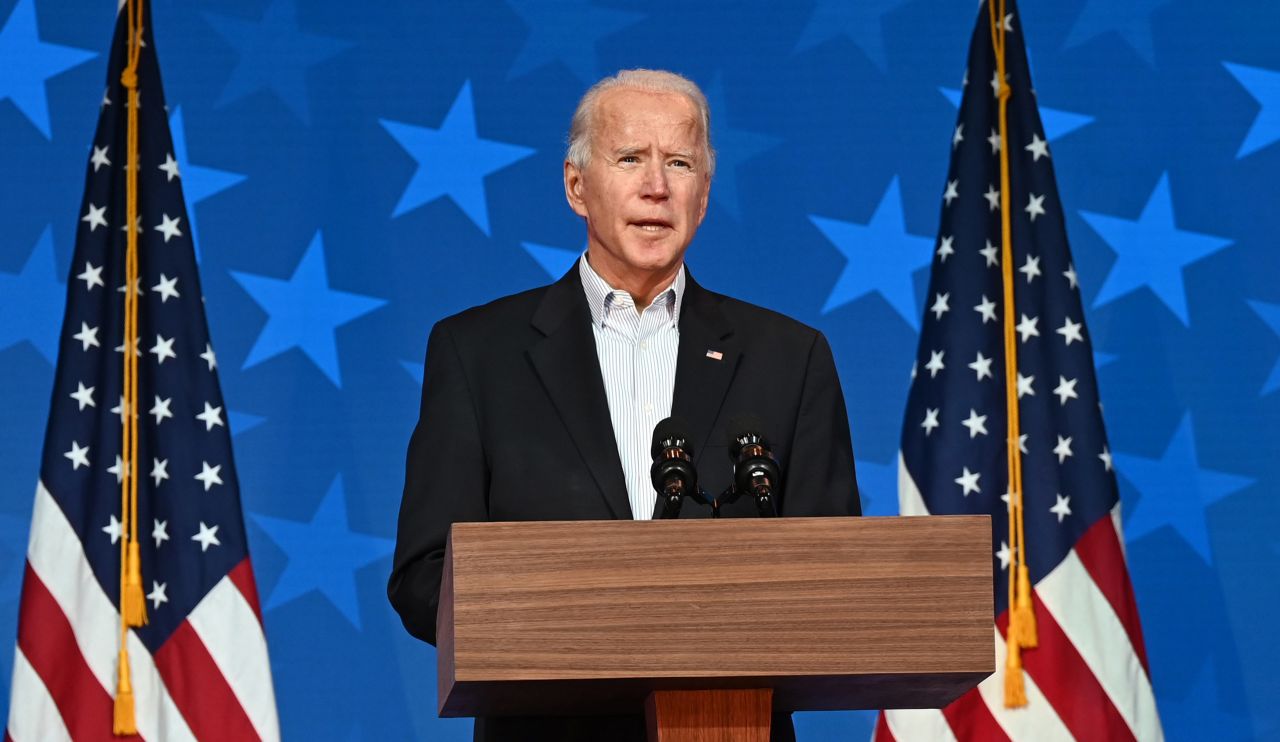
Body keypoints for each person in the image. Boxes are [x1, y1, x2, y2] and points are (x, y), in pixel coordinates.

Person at [388, 69, 859, 742]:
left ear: (702, 195)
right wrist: (588, 629)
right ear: (577, 186)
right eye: (630, 158)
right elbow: (424, 576)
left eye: (680, 162)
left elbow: (834, 575)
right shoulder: (476, 353)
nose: (656, 186)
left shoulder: (791, 357)